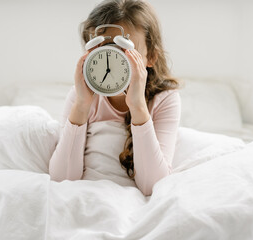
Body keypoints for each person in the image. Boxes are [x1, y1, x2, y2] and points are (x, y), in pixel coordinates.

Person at [49, 0, 181, 196]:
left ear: (151, 57)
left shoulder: (164, 99)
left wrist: (138, 107)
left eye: (124, 50)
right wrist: (82, 106)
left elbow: (152, 185)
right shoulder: (80, 98)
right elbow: (62, 179)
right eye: (104, 49)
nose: (114, 60)